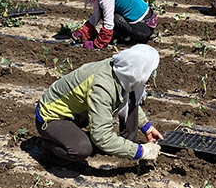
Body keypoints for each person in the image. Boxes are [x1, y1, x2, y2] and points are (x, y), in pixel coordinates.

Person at [34, 44, 164, 163]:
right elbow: (101, 137)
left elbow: (130, 98)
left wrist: (147, 127)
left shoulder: (122, 70)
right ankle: (46, 146)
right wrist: (141, 152)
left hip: (78, 113)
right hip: (51, 117)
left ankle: (127, 147)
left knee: (130, 96)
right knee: (82, 148)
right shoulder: (103, 86)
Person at [70, 0, 158, 49]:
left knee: (111, 16)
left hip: (142, 29)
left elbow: (109, 24)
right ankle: (126, 36)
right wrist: (83, 32)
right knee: (104, 11)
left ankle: (129, 40)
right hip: (149, 23)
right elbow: (96, 15)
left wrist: (97, 44)